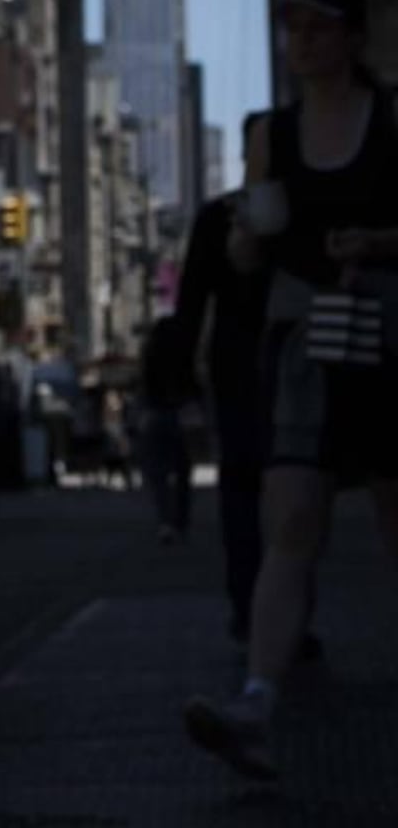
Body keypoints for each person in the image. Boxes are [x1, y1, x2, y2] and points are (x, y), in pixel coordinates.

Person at [185, 0, 398, 784]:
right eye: (292, 29)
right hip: (306, 340)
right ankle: (256, 704)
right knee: (292, 521)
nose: (301, 42)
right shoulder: (273, 132)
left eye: (316, 27)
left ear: (352, 36)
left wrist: (377, 243)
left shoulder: (391, 117)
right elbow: (252, 250)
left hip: (389, 337)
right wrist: (245, 240)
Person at [172, 133, 277, 645]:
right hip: (280, 361)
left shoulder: (217, 215)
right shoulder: (292, 212)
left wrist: (185, 379)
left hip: (237, 364)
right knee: (286, 490)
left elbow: (189, 303)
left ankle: (251, 606)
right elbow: (190, 303)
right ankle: (272, 611)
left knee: (243, 488)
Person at [136, 316, 194, 546]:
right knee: (182, 472)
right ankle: (181, 520)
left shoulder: (150, 355)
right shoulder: (182, 357)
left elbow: (144, 388)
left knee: (158, 475)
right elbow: (193, 388)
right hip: (180, 416)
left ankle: (165, 522)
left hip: (155, 416)